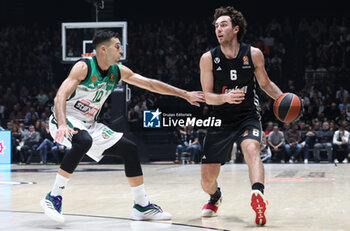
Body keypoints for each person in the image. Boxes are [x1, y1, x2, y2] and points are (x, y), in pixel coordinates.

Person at [40, 30, 205, 223]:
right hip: (65, 118)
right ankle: (53, 196)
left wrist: (184, 94)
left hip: (89, 124)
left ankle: (141, 206)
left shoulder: (118, 71)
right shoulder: (83, 66)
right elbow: (60, 96)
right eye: (117, 46)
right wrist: (61, 124)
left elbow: (150, 84)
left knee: (130, 149)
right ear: (103, 49)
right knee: (83, 140)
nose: (121, 51)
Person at [199, 6, 284, 226]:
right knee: (207, 180)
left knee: (251, 148)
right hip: (220, 118)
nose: (218, 29)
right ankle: (215, 196)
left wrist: (283, 99)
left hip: (247, 115)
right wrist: (224, 98)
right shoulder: (208, 59)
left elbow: (265, 84)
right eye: (216, 26)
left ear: (235, 29)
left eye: (223, 25)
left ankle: (258, 194)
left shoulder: (253, 54)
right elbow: (207, 96)